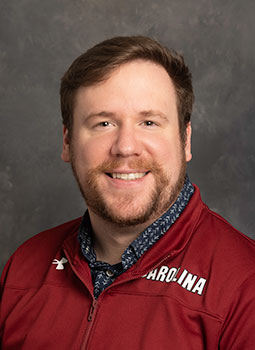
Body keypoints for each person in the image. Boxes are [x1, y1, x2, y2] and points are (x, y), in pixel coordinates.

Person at [1, 36, 255, 349]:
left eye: (149, 122)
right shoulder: (23, 269)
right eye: (103, 123)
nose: (125, 147)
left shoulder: (245, 285)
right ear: (67, 142)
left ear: (185, 140)